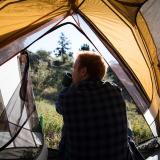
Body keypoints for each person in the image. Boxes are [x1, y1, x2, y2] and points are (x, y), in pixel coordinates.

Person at [55, 51, 129, 160]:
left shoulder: (68, 96)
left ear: (83, 71)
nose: (72, 71)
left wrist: (70, 86)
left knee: (67, 126)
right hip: (119, 157)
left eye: (74, 68)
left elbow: (58, 107)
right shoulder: (115, 90)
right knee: (128, 130)